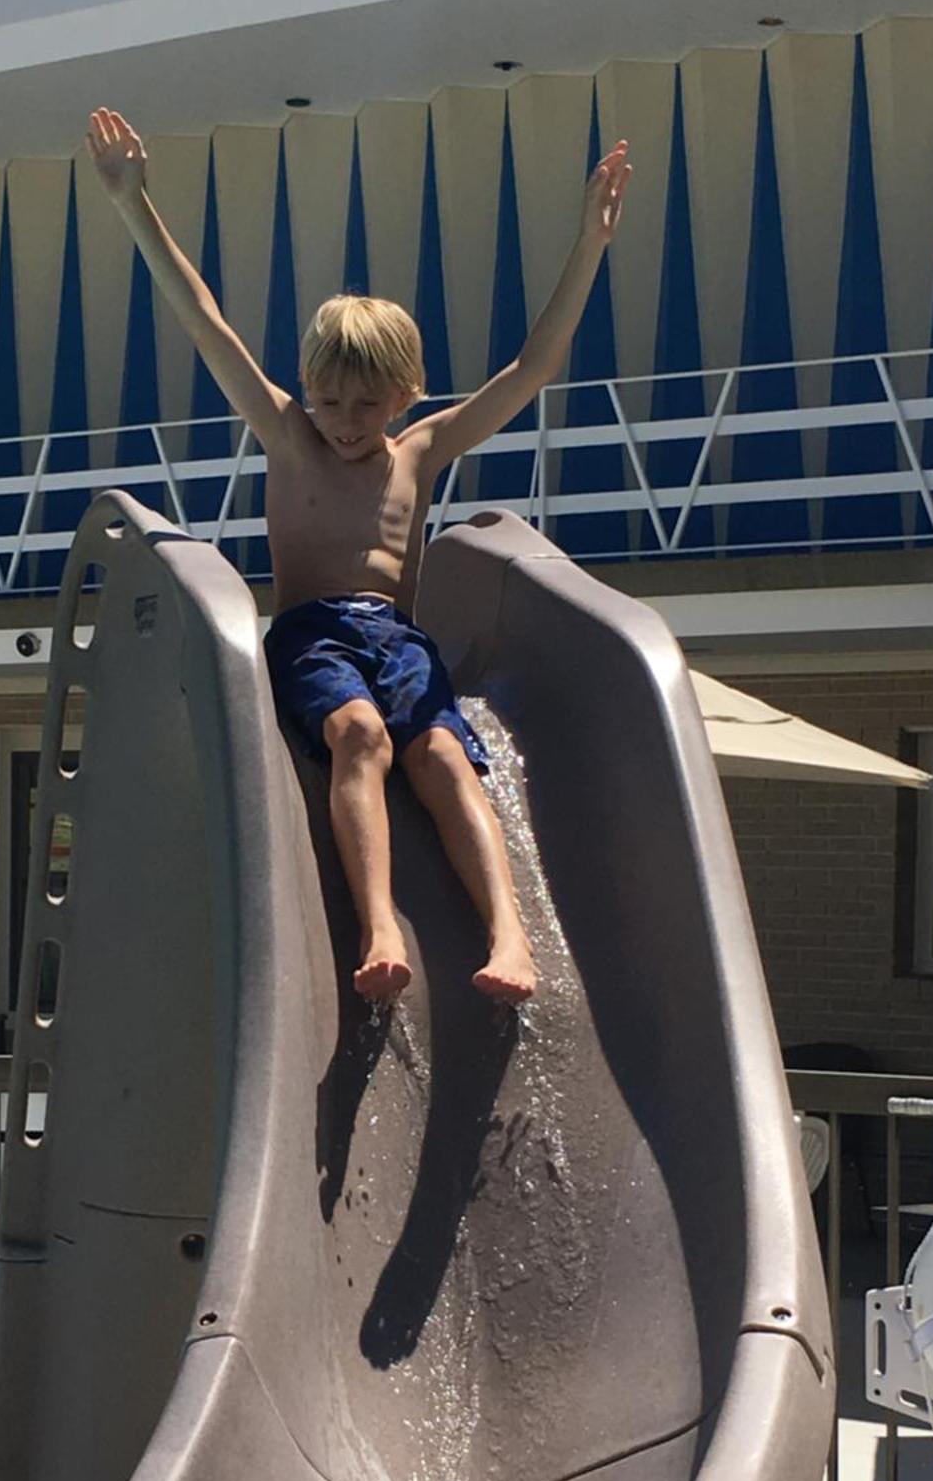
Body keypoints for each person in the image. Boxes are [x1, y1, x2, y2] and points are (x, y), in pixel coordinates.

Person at [87, 107, 630, 1005]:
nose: (344, 421)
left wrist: (590, 243)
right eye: (331, 401)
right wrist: (133, 203)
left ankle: (509, 935)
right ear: (308, 391)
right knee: (359, 735)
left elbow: (532, 369)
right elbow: (205, 322)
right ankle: (379, 924)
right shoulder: (288, 436)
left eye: (367, 404)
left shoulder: (420, 452)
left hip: (399, 640)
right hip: (312, 640)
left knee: (446, 758)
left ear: (404, 397)